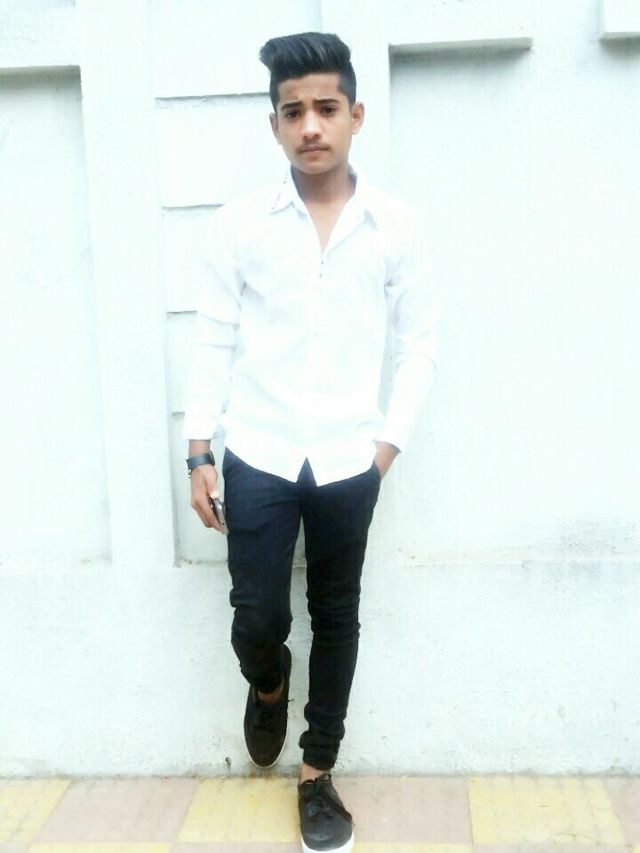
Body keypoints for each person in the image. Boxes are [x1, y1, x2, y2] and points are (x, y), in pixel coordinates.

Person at [182, 31, 438, 853]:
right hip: (258, 450)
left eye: (326, 107)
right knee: (257, 615)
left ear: (356, 114)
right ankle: (268, 684)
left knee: (336, 614)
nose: (311, 125)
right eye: (293, 112)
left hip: (348, 458)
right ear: (275, 125)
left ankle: (317, 772)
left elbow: (419, 346)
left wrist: (385, 447)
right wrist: (198, 449)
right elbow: (213, 336)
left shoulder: (394, 226)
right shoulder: (240, 225)